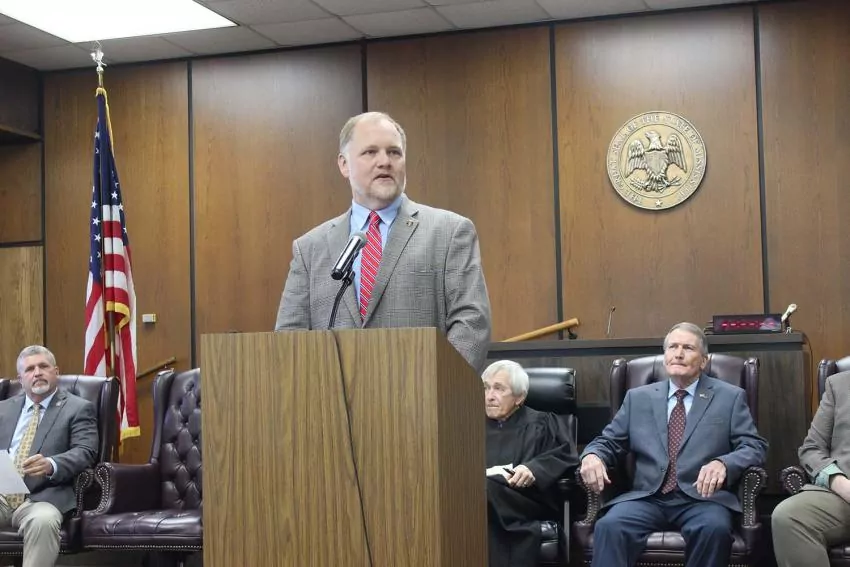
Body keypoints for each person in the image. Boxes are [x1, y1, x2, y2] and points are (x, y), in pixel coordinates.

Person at [275, 111, 491, 372]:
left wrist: (435, 385)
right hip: (330, 395)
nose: (385, 162)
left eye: (394, 152)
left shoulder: (449, 232)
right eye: (370, 152)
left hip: (423, 392)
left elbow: (472, 322)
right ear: (344, 164)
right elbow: (289, 339)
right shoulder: (310, 248)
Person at [579, 322, 767, 567]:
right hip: (648, 497)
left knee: (714, 529)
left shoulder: (729, 397)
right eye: (672, 347)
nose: (678, 353)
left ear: (704, 361)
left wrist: (724, 463)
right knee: (609, 526)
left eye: (688, 348)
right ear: (665, 355)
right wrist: (592, 455)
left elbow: (754, 446)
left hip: (703, 499)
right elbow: (609, 441)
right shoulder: (638, 398)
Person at [0, 345, 98, 567]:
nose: (37, 373)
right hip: (3, 493)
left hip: (44, 496)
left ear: (56, 371)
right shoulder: (3, 409)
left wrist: (52, 464)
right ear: (20, 379)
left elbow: (86, 451)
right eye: (30, 369)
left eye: (43, 366)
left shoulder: (78, 408)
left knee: (43, 521)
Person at [484, 360, 578, 567]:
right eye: (486, 387)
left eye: (498, 389)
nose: (489, 396)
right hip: (480, 496)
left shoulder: (542, 422)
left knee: (481, 490)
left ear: (519, 397)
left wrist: (533, 468)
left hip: (525, 498)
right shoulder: (469, 424)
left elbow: (566, 454)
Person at [772, 369, 850, 566]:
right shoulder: (839, 384)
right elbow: (811, 448)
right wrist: (839, 483)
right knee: (789, 516)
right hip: (842, 494)